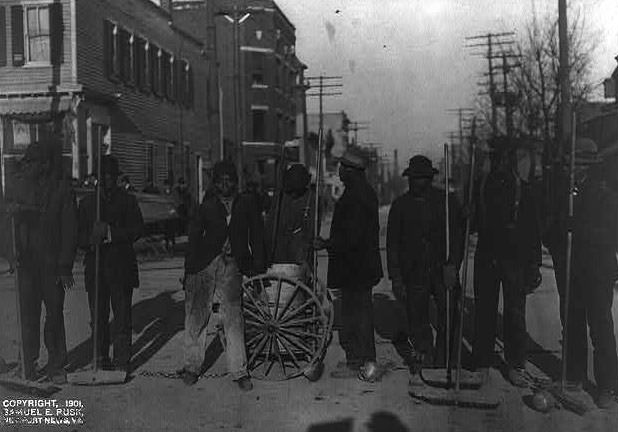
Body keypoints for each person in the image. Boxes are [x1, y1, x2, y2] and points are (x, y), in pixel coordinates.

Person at [180, 161, 265, 390]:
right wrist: (188, 271)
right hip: (205, 266)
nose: (225, 184)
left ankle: (239, 370)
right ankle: (191, 367)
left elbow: (257, 235)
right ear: (215, 183)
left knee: (233, 317)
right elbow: (194, 239)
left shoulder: (246, 204)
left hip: (233, 265)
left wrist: (257, 266)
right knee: (197, 317)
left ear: (236, 183)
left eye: (229, 180)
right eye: (220, 180)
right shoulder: (206, 206)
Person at [546, 141, 618, 408]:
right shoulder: (565, 193)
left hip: (597, 270)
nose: (570, 170)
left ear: (587, 166)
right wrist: (557, 237)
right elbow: (552, 225)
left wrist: (580, 229)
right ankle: (574, 375)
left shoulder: (605, 194)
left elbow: (610, 234)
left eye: (574, 165)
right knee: (572, 322)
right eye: (569, 165)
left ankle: (609, 386)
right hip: (571, 268)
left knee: (600, 326)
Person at [386, 155, 464, 384]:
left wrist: (453, 265)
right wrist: (396, 277)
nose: (418, 182)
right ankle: (425, 357)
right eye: (414, 178)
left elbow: (458, 236)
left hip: (442, 270)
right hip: (414, 272)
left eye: (423, 178)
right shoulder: (400, 206)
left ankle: (445, 361)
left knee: (449, 312)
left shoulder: (446, 202)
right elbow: (392, 245)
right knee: (417, 317)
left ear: (430, 179)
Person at [5, 141, 78, 384]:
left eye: (33, 162)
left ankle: (57, 365)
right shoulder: (20, 189)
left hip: (52, 265)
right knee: (28, 316)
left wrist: (65, 265)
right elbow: (6, 225)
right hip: (27, 263)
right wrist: (10, 252)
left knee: (54, 314)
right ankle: (28, 364)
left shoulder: (62, 190)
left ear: (45, 164)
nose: (28, 166)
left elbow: (70, 231)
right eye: (27, 162)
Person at [472, 146, 542, 388]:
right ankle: (482, 361)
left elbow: (533, 232)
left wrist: (534, 265)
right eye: (496, 158)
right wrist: (465, 212)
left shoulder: (523, 189)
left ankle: (516, 365)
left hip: (514, 259)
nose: (500, 163)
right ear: (491, 160)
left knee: (514, 313)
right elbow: (470, 222)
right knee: (484, 311)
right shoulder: (480, 186)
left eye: (505, 158)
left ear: (511, 160)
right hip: (486, 257)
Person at [314, 148, 383, 382]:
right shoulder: (360, 192)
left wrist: (326, 243)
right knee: (357, 313)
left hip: (357, 267)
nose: (339, 171)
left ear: (352, 171)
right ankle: (359, 360)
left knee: (359, 315)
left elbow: (351, 238)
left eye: (342, 167)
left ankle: (363, 362)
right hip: (359, 266)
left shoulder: (357, 197)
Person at [78, 155, 144, 374]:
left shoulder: (128, 201)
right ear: (96, 178)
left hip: (121, 268)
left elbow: (137, 230)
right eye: (102, 176)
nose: (106, 180)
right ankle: (100, 358)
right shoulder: (88, 204)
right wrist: (90, 238)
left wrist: (110, 233)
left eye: (110, 176)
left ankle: (122, 362)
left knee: (122, 317)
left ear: (116, 177)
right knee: (98, 317)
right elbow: (77, 236)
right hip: (96, 269)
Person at [266, 164, 316, 269]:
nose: (293, 195)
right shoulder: (279, 198)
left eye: (296, 192)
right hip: (277, 258)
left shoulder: (312, 200)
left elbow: (310, 233)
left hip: (300, 259)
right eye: (290, 191)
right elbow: (270, 228)